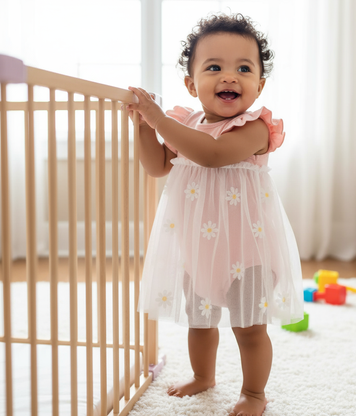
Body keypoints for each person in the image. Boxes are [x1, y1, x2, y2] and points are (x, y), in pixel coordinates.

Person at [127, 13, 304, 416]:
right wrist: (143, 128)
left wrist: (156, 118)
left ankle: (255, 393)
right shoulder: (183, 123)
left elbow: (211, 156)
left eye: (244, 68)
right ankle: (204, 377)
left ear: (259, 84)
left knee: (249, 329)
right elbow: (157, 166)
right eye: (214, 67)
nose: (230, 76)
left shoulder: (255, 127)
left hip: (248, 252)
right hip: (199, 250)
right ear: (192, 84)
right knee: (200, 323)